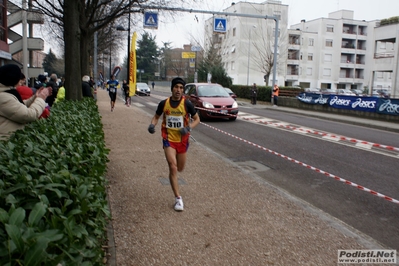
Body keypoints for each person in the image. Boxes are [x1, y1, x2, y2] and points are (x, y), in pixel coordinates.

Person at [148, 77, 200, 212]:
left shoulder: (187, 104)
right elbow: (156, 117)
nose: (179, 90)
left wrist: (188, 128)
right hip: (168, 139)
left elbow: (196, 119)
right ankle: (178, 198)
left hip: (182, 141)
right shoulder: (164, 103)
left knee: (181, 168)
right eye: (176, 87)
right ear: (172, 88)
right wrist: (152, 125)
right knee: (173, 166)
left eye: (181, 88)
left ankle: (176, 186)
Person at [0, 64, 51, 140]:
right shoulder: (3, 97)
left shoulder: (6, 93)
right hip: (6, 142)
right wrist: (41, 99)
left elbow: (19, 105)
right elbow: (28, 115)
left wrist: (35, 97)